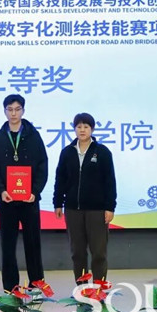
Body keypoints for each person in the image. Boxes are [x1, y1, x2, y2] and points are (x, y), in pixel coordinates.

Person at [0, 94, 48, 292]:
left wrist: (35, 191)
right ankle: (10, 287)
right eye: (10, 109)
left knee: (33, 244)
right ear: (5, 111)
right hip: (7, 200)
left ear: (23, 111)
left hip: (30, 200)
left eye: (17, 109)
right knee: (8, 245)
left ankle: (36, 285)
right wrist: (1, 190)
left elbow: (42, 166)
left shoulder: (34, 137)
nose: (13, 113)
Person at [53, 112, 117, 282]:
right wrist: (58, 203)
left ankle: (99, 288)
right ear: (74, 129)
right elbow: (60, 179)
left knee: (98, 253)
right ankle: (82, 288)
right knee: (78, 253)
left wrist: (110, 207)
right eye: (79, 126)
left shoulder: (102, 152)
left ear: (92, 129)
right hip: (73, 209)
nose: (82, 130)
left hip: (97, 210)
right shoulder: (67, 152)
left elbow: (110, 181)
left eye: (86, 126)